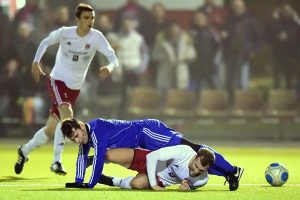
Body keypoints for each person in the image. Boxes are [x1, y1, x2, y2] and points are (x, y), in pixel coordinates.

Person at [14, 3, 118, 176]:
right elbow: (45, 41)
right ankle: (57, 161)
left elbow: (113, 57)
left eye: (92, 18)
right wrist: (35, 62)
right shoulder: (65, 33)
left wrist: (110, 67)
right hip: (58, 80)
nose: (90, 21)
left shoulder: (97, 37)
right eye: (86, 18)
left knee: (51, 128)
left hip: (75, 87)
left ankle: (24, 151)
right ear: (77, 19)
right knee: (66, 114)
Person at [61, 118, 243, 190]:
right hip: (144, 142)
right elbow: (81, 155)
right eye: (73, 139)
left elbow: (100, 156)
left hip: (148, 132)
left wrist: (89, 184)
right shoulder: (86, 137)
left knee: (196, 152)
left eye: (76, 135)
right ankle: (230, 172)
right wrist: (78, 181)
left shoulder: (96, 131)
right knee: (195, 162)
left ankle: (231, 170)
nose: (77, 140)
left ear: (81, 126)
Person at [67, 145, 215, 190]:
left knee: (136, 184)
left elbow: (190, 186)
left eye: (200, 171)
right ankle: (95, 159)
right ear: (194, 156)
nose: (195, 172)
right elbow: (152, 157)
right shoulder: (182, 152)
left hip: (161, 178)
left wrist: (187, 188)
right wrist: (153, 184)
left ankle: (111, 181)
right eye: (195, 166)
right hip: (149, 160)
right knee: (110, 155)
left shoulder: (202, 180)